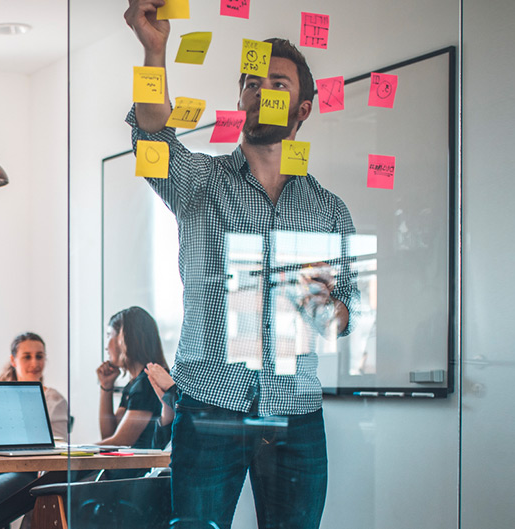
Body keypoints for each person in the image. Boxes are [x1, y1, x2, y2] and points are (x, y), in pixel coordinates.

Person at [123, 1, 361, 527]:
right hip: (209, 409)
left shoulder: (328, 209)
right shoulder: (201, 183)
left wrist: (323, 302)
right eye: (250, 81)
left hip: (297, 415)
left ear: (302, 110)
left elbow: (347, 324)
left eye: (276, 82)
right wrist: (154, 49)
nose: (258, 89)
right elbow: (152, 139)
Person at [0, 332, 69, 516]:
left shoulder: (54, 400)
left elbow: (60, 446)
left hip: (28, 471)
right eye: (27, 357)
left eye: (39, 356)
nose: (35, 363)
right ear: (13, 360)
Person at [95, 307, 171, 474]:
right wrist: (106, 387)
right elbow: (109, 434)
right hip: (126, 472)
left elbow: (120, 441)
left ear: (124, 339)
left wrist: (73, 450)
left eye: (109, 335)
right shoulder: (135, 384)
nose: (106, 346)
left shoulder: (147, 382)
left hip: (135, 477)